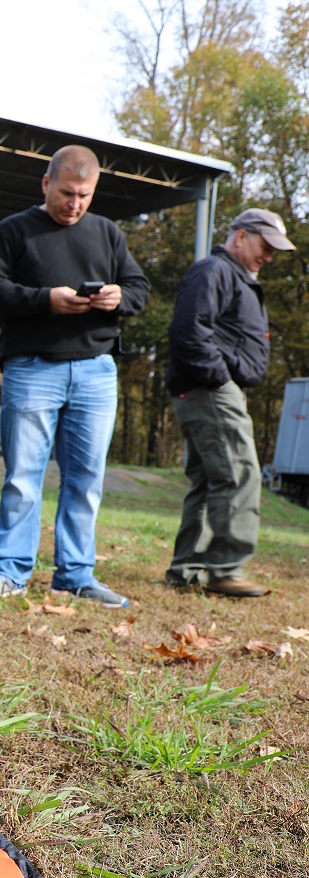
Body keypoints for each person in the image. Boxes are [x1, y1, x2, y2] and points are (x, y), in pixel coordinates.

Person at [0, 144, 149, 607]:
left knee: (87, 477)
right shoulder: (14, 231)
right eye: (67, 193)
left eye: (85, 196)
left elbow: (139, 289)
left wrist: (116, 297)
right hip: (32, 366)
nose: (75, 204)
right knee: (24, 476)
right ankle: (11, 570)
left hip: (96, 370)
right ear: (47, 183)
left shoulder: (107, 233)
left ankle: (75, 575)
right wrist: (45, 299)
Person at [164, 208, 294, 597]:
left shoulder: (234, 276)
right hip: (211, 390)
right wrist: (221, 377)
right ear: (240, 236)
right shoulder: (214, 271)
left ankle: (186, 570)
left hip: (209, 389)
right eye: (265, 246)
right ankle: (224, 569)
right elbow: (189, 332)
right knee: (240, 474)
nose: (269, 256)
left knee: (209, 481)